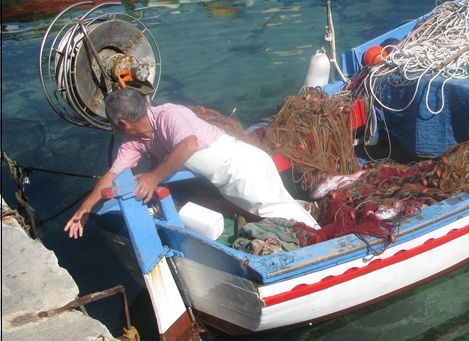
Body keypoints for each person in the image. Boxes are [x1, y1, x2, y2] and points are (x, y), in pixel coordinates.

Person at [65, 88, 318, 238]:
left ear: (121, 123)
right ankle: (315, 236)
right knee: (280, 211)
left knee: (281, 214)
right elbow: (111, 175)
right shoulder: (134, 143)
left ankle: (324, 246)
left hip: (243, 168)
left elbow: (188, 145)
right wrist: (84, 210)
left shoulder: (169, 114)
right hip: (228, 180)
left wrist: (153, 176)